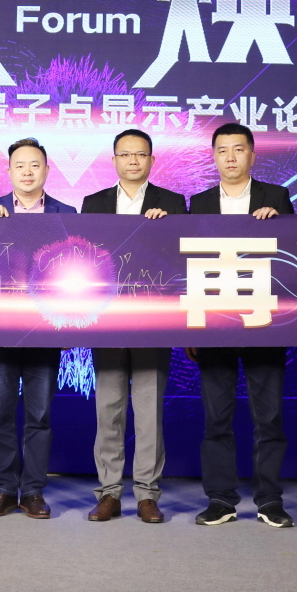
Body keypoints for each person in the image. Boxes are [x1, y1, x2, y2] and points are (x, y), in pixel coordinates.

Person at [186, 123, 296, 527]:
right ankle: (220, 499)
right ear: (213, 157)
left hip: (264, 319)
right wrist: (190, 327)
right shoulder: (198, 203)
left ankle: (269, 499)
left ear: (252, 154)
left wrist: (278, 224)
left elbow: (295, 256)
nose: (230, 157)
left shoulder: (276, 197)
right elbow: (186, 264)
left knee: (269, 417)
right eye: (222, 150)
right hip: (214, 321)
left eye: (238, 149)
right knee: (217, 418)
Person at [80, 128, 186, 523]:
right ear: (114, 161)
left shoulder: (172, 203)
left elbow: (181, 258)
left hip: (152, 320)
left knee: (148, 409)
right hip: (107, 320)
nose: (133, 161)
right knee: (108, 409)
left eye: (140, 154)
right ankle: (109, 492)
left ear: (152, 160)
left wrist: (166, 227)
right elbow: (84, 257)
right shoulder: (93, 203)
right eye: (125, 154)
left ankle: (147, 494)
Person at [0, 138, 74, 519]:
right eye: (20, 165)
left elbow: (74, 270)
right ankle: (3, 489)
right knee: (0, 412)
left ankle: (32, 491)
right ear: (9, 171)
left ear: (47, 170)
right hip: (1, 329)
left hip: (45, 329)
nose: (28, 172)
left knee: (40, 415)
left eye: (35, 165)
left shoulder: (67, 213)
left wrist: (68, 323)